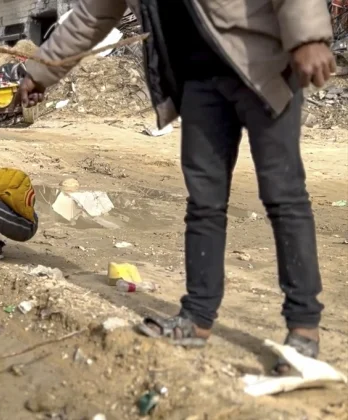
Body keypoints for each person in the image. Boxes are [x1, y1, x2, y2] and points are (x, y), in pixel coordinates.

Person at [19, 0, 335, 373]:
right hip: (199, 82)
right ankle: (196, 318)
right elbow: (92, 14)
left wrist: (308, 36)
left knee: (284, 197)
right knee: (204, 204)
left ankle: (303, 329)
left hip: (262, 65)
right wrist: (39, 72)